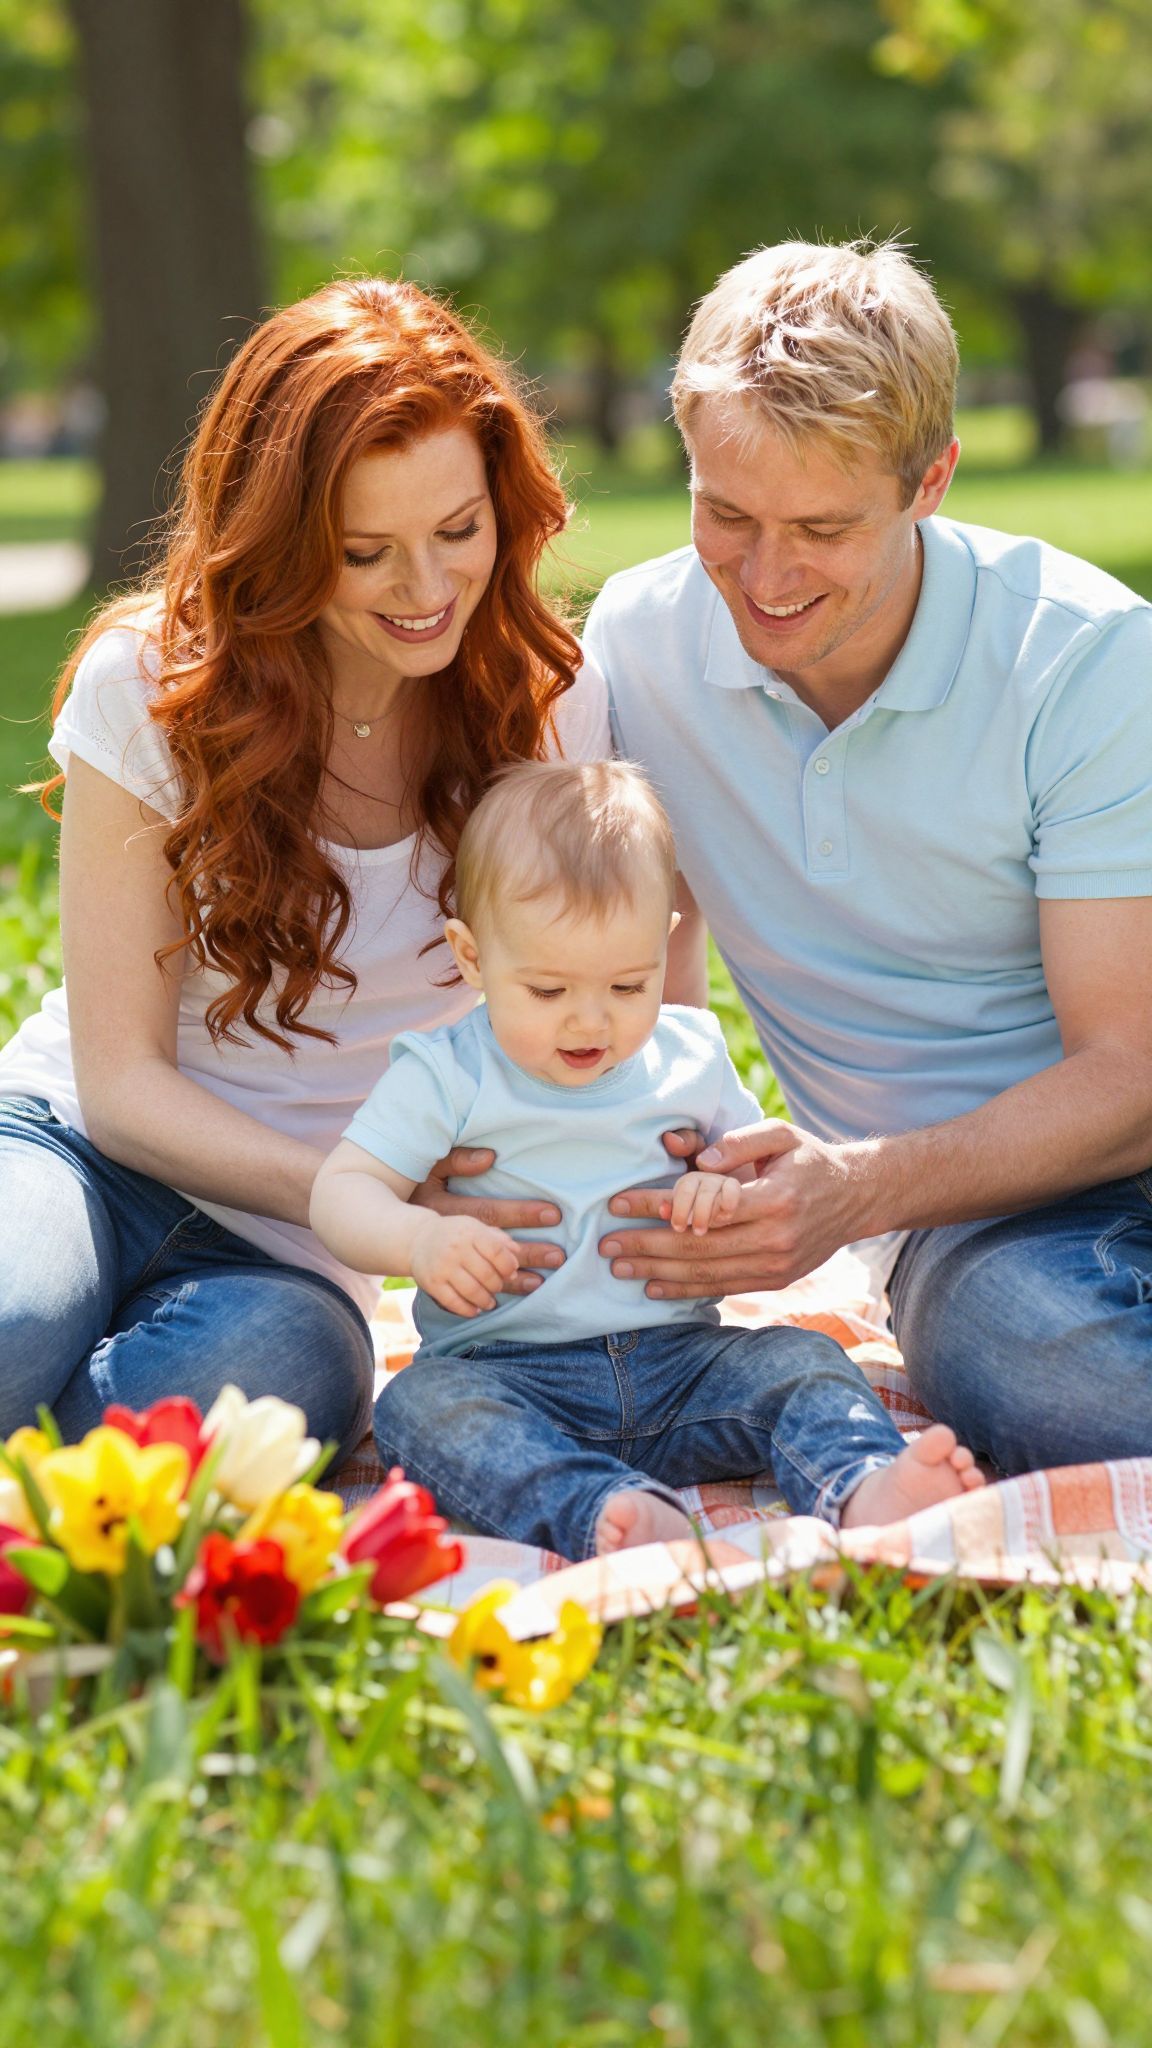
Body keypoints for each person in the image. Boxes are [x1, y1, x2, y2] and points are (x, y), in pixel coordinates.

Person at [0, 278, 611, 1453]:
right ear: (277, 540)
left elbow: (601, 985)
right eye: (366, 551)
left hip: (293, 1252)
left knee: (237, 1404)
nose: (427, 590)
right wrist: (374, 1193)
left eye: (459, 531)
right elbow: (122, 1086)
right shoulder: (153, 685)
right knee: (16, 1319)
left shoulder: (548, 710)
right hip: (82, 1148)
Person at [582, 238, 1152, 1478]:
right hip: (978, 1230)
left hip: (1098, 1144)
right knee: (1038, 1355)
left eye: (824, 527)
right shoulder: (636, 644)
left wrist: (854, 1189)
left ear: (931, 480)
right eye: (724, 514)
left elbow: (1133, 1072)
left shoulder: (1086, 658)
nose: (767, 576)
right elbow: (633, 983)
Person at [310, 760, 984, 1561]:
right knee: (420, 1409)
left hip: (682, 1368)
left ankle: (866, 1486)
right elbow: (342, 1192)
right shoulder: (447, 1072)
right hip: (510, 1375)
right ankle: (603, 1510)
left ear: (664, 943)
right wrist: (417, 1240)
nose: (589, 1021)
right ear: (471, 956)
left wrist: (715, 1186)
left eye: (628, 985)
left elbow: (747, 1169)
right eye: (548, 991)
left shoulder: (688, 1053)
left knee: (803, 1359)